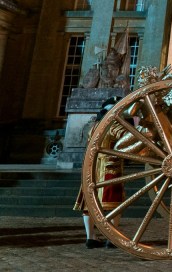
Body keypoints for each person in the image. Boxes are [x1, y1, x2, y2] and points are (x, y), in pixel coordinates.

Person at [73, 96, 122, 249]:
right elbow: (128, 139)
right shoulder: (114, 125)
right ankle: (112, 237)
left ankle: (90, 237)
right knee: (113, 204)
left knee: (89, 203)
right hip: (109, 167)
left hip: (91, 167)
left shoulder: (93, 126)